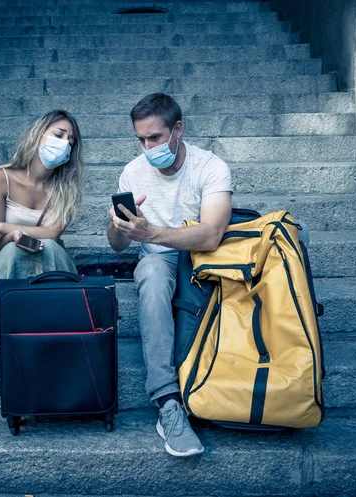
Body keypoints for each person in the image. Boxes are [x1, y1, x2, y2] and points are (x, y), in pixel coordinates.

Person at [107, 93, 233, 457]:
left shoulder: (211, 167)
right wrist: (118, 226)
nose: (148, 147)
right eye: (141, 140)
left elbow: (210, 235)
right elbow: (117, 246)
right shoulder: (133, 172)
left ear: (177, 130)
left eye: (155, 138)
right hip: (158, 263)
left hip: (204, 261)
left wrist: (152, 233)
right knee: (149, 268)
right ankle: (167, 403)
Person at [0, 110, 85, 374]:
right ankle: (7, 342)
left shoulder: (65, 187)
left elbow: (53, 234)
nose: (65, 142)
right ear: (38, 135)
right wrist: (12, 237)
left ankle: (58, 339)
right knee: (11, 251)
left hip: (48, 257)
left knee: (52, 247)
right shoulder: (2, 178)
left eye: (71, 141)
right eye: (59, 134)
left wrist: (1, 227)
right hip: (7, 260)